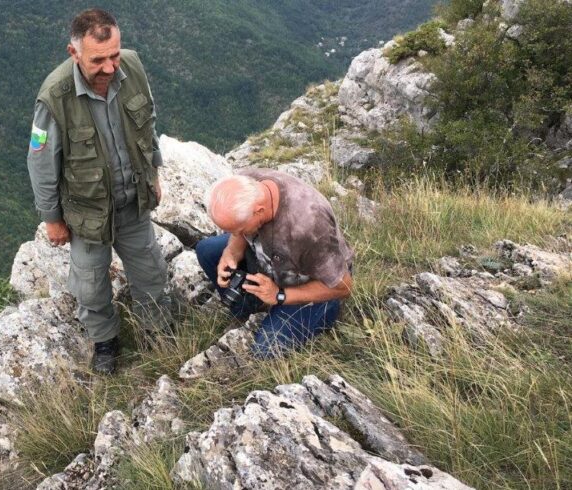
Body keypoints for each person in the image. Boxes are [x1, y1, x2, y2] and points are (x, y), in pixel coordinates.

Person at [27, 9, 170, 374]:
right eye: (98, 60)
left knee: (152, 272)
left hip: (133, 200)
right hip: (88, 213)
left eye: (114, 55)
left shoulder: (133, 67)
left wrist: (154, 168)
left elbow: (148, 121)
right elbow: (41, 162)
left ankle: (157, 333)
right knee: (90, 287)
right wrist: (52, 219)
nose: (109, 67)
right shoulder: (53, 97)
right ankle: (106, 342)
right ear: (74, 53)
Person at [195, 169, 354, 357]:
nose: (236, 235)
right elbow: (238, 236)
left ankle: (320, 314)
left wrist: (279, 295)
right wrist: (231, 252)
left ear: (259, 211)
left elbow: (343, 287)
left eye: (239, 229)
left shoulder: (308, 228)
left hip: (307, 281)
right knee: (207, 250)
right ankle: (248, 309)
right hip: (271, 259)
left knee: (266, 350)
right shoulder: (247, 182)